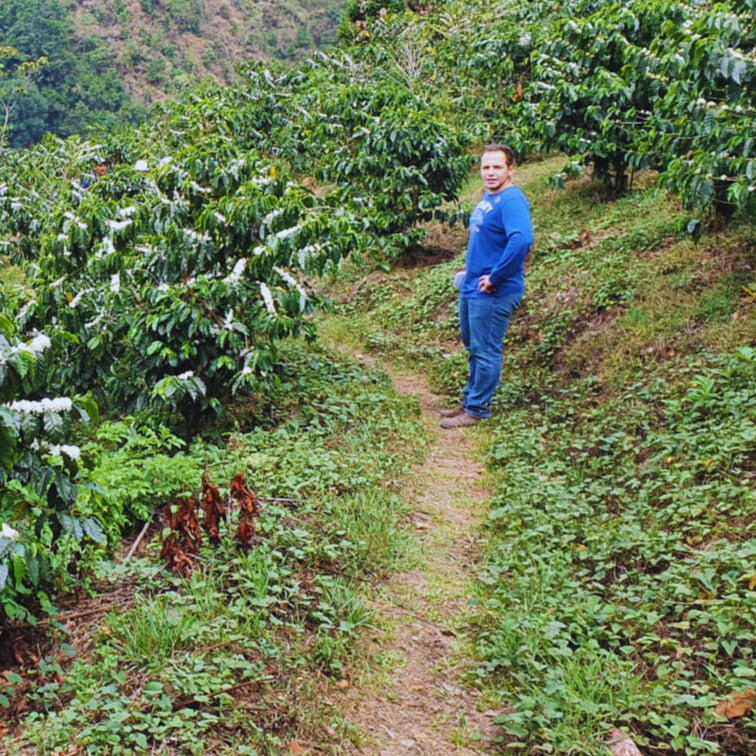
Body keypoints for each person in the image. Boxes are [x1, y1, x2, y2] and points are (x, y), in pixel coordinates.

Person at [440, 143, 533, 429]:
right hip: (472, 286)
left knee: (485, 349)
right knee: (473, 345)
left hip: (494, 291)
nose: (490, 172)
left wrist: (495, 276)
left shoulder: (511, 201)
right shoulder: (489, 197)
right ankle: (470, 398)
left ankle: (477, 408)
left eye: (497, 167)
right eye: (486, 167)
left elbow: (521, 240)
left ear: (510, 169)